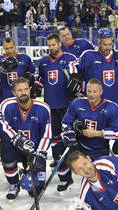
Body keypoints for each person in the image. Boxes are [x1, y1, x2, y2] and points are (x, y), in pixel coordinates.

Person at [60, 78, 118, 192]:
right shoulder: (77, 103)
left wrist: (97, 133)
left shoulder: (112, 107)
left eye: (95, 91)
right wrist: (69, 131)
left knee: (99, 177)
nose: (91, 95)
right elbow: (65, 123)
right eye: (89, 91)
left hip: (99, 149)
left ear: (101, 91)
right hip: (79, 146)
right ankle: (65, 179)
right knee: (59, 151)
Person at [0, 77, 52, 201]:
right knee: (6, 153)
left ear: (30, 89)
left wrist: (40, 153)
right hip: (14, 146)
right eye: (19, 90)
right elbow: (3, 126)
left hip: (34, 149)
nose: (23, 92)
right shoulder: (6, 105)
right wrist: (18, 139)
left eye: (26, 89)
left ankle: (30, 172)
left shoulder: (43, 107)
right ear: (14, 93)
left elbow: (47, 134)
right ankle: (14, 184)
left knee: (37, 189)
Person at [38, 33, 77, 167]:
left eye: (53, 44)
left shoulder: (70, 58)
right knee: (55, 135)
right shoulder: (43, 61)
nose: (51, 47)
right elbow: (41, 79)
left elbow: (76, 76)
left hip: (67, 103)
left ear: (60, 44)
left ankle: (72, 160)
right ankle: (57, 158)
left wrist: (76, 80)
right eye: (49, 45)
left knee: (69, 134)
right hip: (51, 104)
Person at [67, 28, 118, 106]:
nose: (108, 48)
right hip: (94, 102)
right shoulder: (88, 55)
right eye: (105, 45)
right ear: (99, 42)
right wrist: (74, 75)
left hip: (117, 102)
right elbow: (72, 65)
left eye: (110, 44)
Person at [0, 37, 36, 108]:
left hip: (22, 98)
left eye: (11, 48)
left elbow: (33, 75)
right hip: (2, 99)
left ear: (15, 46)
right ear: (3, 48)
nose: (9, 51)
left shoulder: (25, 58)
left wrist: (30, 79)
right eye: (7, 48)